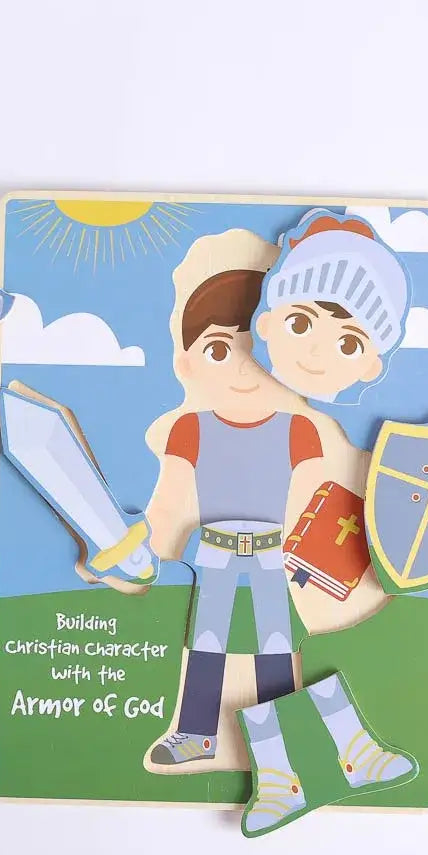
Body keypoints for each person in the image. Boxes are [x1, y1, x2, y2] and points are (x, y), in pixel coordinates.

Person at [146, 259, 324, 765]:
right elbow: (167, 501)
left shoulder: (299, 431)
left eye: (259, 348)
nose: (244, 366)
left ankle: (282, 739)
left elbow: (315, 504)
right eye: (221, 350)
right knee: (206, 641)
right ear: (187, 361)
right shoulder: (190, 429)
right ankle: (196, 733)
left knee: (276, 644)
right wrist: (148, 549)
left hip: (271, 553)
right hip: (214, 551)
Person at [253, 210, 412, 444]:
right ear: (265, 323)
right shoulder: (246, 392)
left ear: (372, 367)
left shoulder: (347, 432)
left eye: (349, 345)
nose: (316, 350)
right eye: (299, 324)